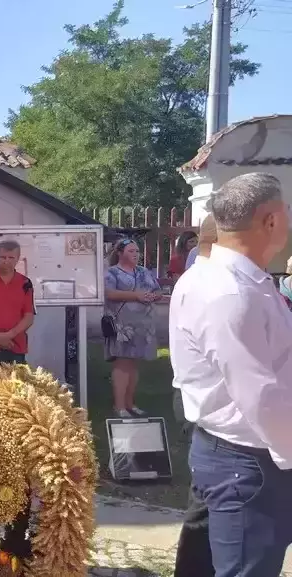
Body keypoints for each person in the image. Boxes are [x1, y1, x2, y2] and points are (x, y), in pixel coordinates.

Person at [171, 173, 292, 577]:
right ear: (271, 221)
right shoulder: (230, 292)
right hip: (251, 461)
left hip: (229, 452)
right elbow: (260, 396)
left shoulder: (232, 279)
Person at [170, 214, 217, 577]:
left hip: (199, 397)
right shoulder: (208, 283)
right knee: (204, 503)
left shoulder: (201, 279)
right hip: (204, 401)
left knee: (203, 502)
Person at [104, 238, 162, 418]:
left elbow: (157, 290)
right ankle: (119, 405)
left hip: (142, 324)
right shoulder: (112, 273)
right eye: (131, 251)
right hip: (121, 325)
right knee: (122, 364)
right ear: (120, 253)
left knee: (134, 365)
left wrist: (153, 297)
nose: (136, 254)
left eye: (137, 251)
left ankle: (130, 403)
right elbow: (109, 293)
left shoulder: (143, 271)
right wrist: (136, 295)